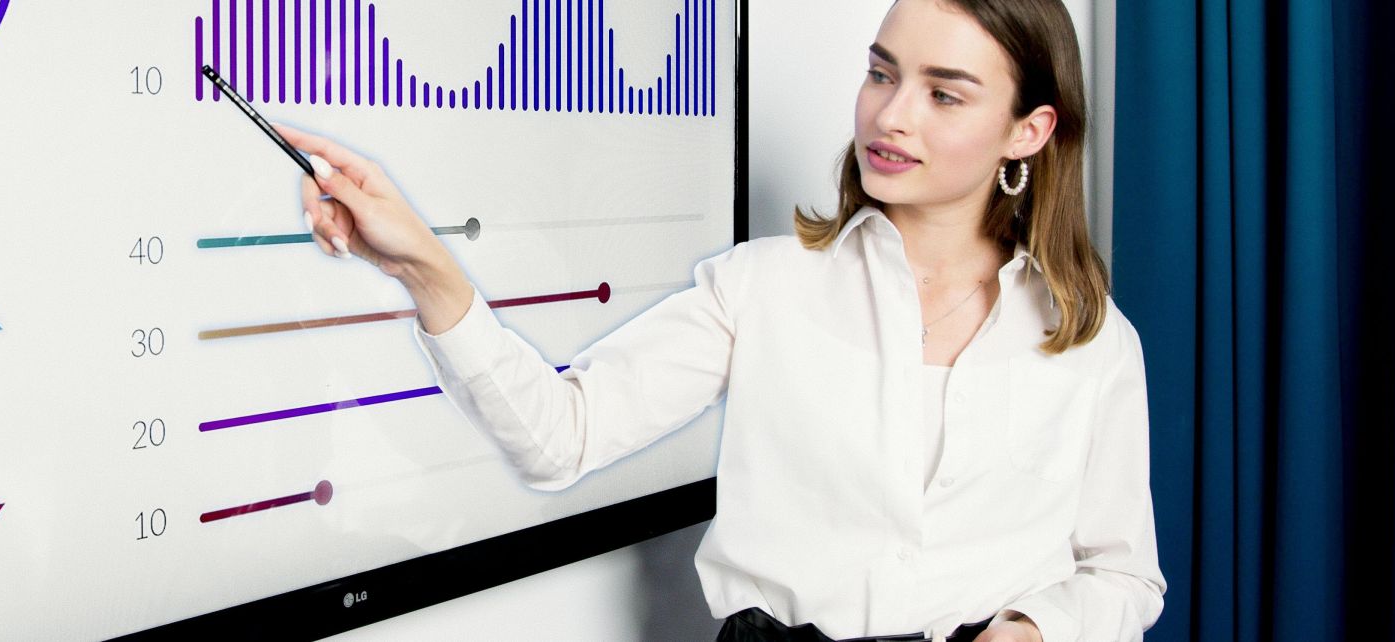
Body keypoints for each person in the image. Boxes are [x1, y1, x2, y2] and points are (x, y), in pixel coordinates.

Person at [273, 0, 1164, 638]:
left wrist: (1036, 631)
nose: (889, 116)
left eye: (946, 92)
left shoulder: (1091, 344)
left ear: (1030, 131)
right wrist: (421, 264)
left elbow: (1124, 574)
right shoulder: (761, 288)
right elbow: (558, 439)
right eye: (882, 72)